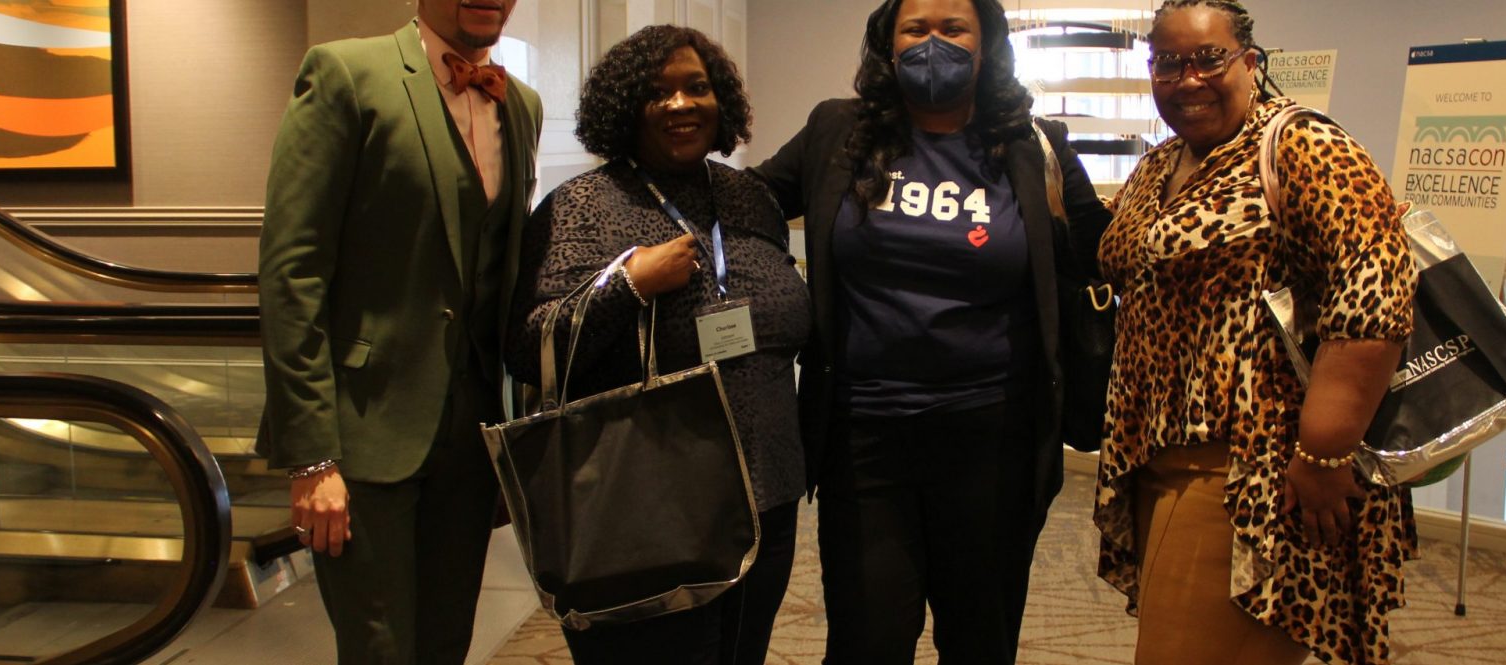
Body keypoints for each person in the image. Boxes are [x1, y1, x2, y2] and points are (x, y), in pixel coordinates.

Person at [752, 0, 1111, 661]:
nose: (933, 43)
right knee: (867, 640)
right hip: (864, 436)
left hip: (993, 436)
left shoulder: (1034, 145)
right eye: (916, 29)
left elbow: (1107, 250)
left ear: (986, 44)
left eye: (953, 28)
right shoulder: (839, 131)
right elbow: (750, 202)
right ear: (889, 45)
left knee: (980, 639)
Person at [1091, 2, 1417, 664]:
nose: (1188, 79)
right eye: (1168, 63)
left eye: (1208, 59)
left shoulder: (1303, 146)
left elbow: (1375, 301)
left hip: (1254, 468)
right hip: (1161, 456)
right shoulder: (1161, 164)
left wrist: (1322, 453)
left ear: (1249, 61)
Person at [504, 24, 808, 665]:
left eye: (697, 87)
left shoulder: (749, 198)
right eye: (656, 93)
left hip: (767, 492)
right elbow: (530, 348)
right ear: (623, 109)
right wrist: (627, 285)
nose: (680, 104)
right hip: (648, 507)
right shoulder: (582, 205)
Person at [254, 0, 542, 661]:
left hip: (471, 435)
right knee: (378, 646)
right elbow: (292, 271)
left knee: (447, 640)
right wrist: (312, 458)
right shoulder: (346, 75)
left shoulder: (521, 104)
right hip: (363, 430)